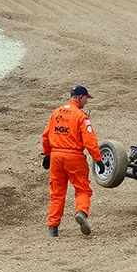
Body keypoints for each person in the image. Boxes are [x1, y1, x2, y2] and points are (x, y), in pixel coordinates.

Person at [41, 86, 104, 237]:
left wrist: (47, 155)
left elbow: (45, 136)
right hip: (74, 156)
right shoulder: (81, 116)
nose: (86, 103)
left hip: (56, 156)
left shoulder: (56, 113)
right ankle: (81, 212)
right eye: (86, 99)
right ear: (80, 97)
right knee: (82, 189)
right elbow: (90, 141)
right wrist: (98, 160)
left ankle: (52, 228)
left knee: (57, 193)